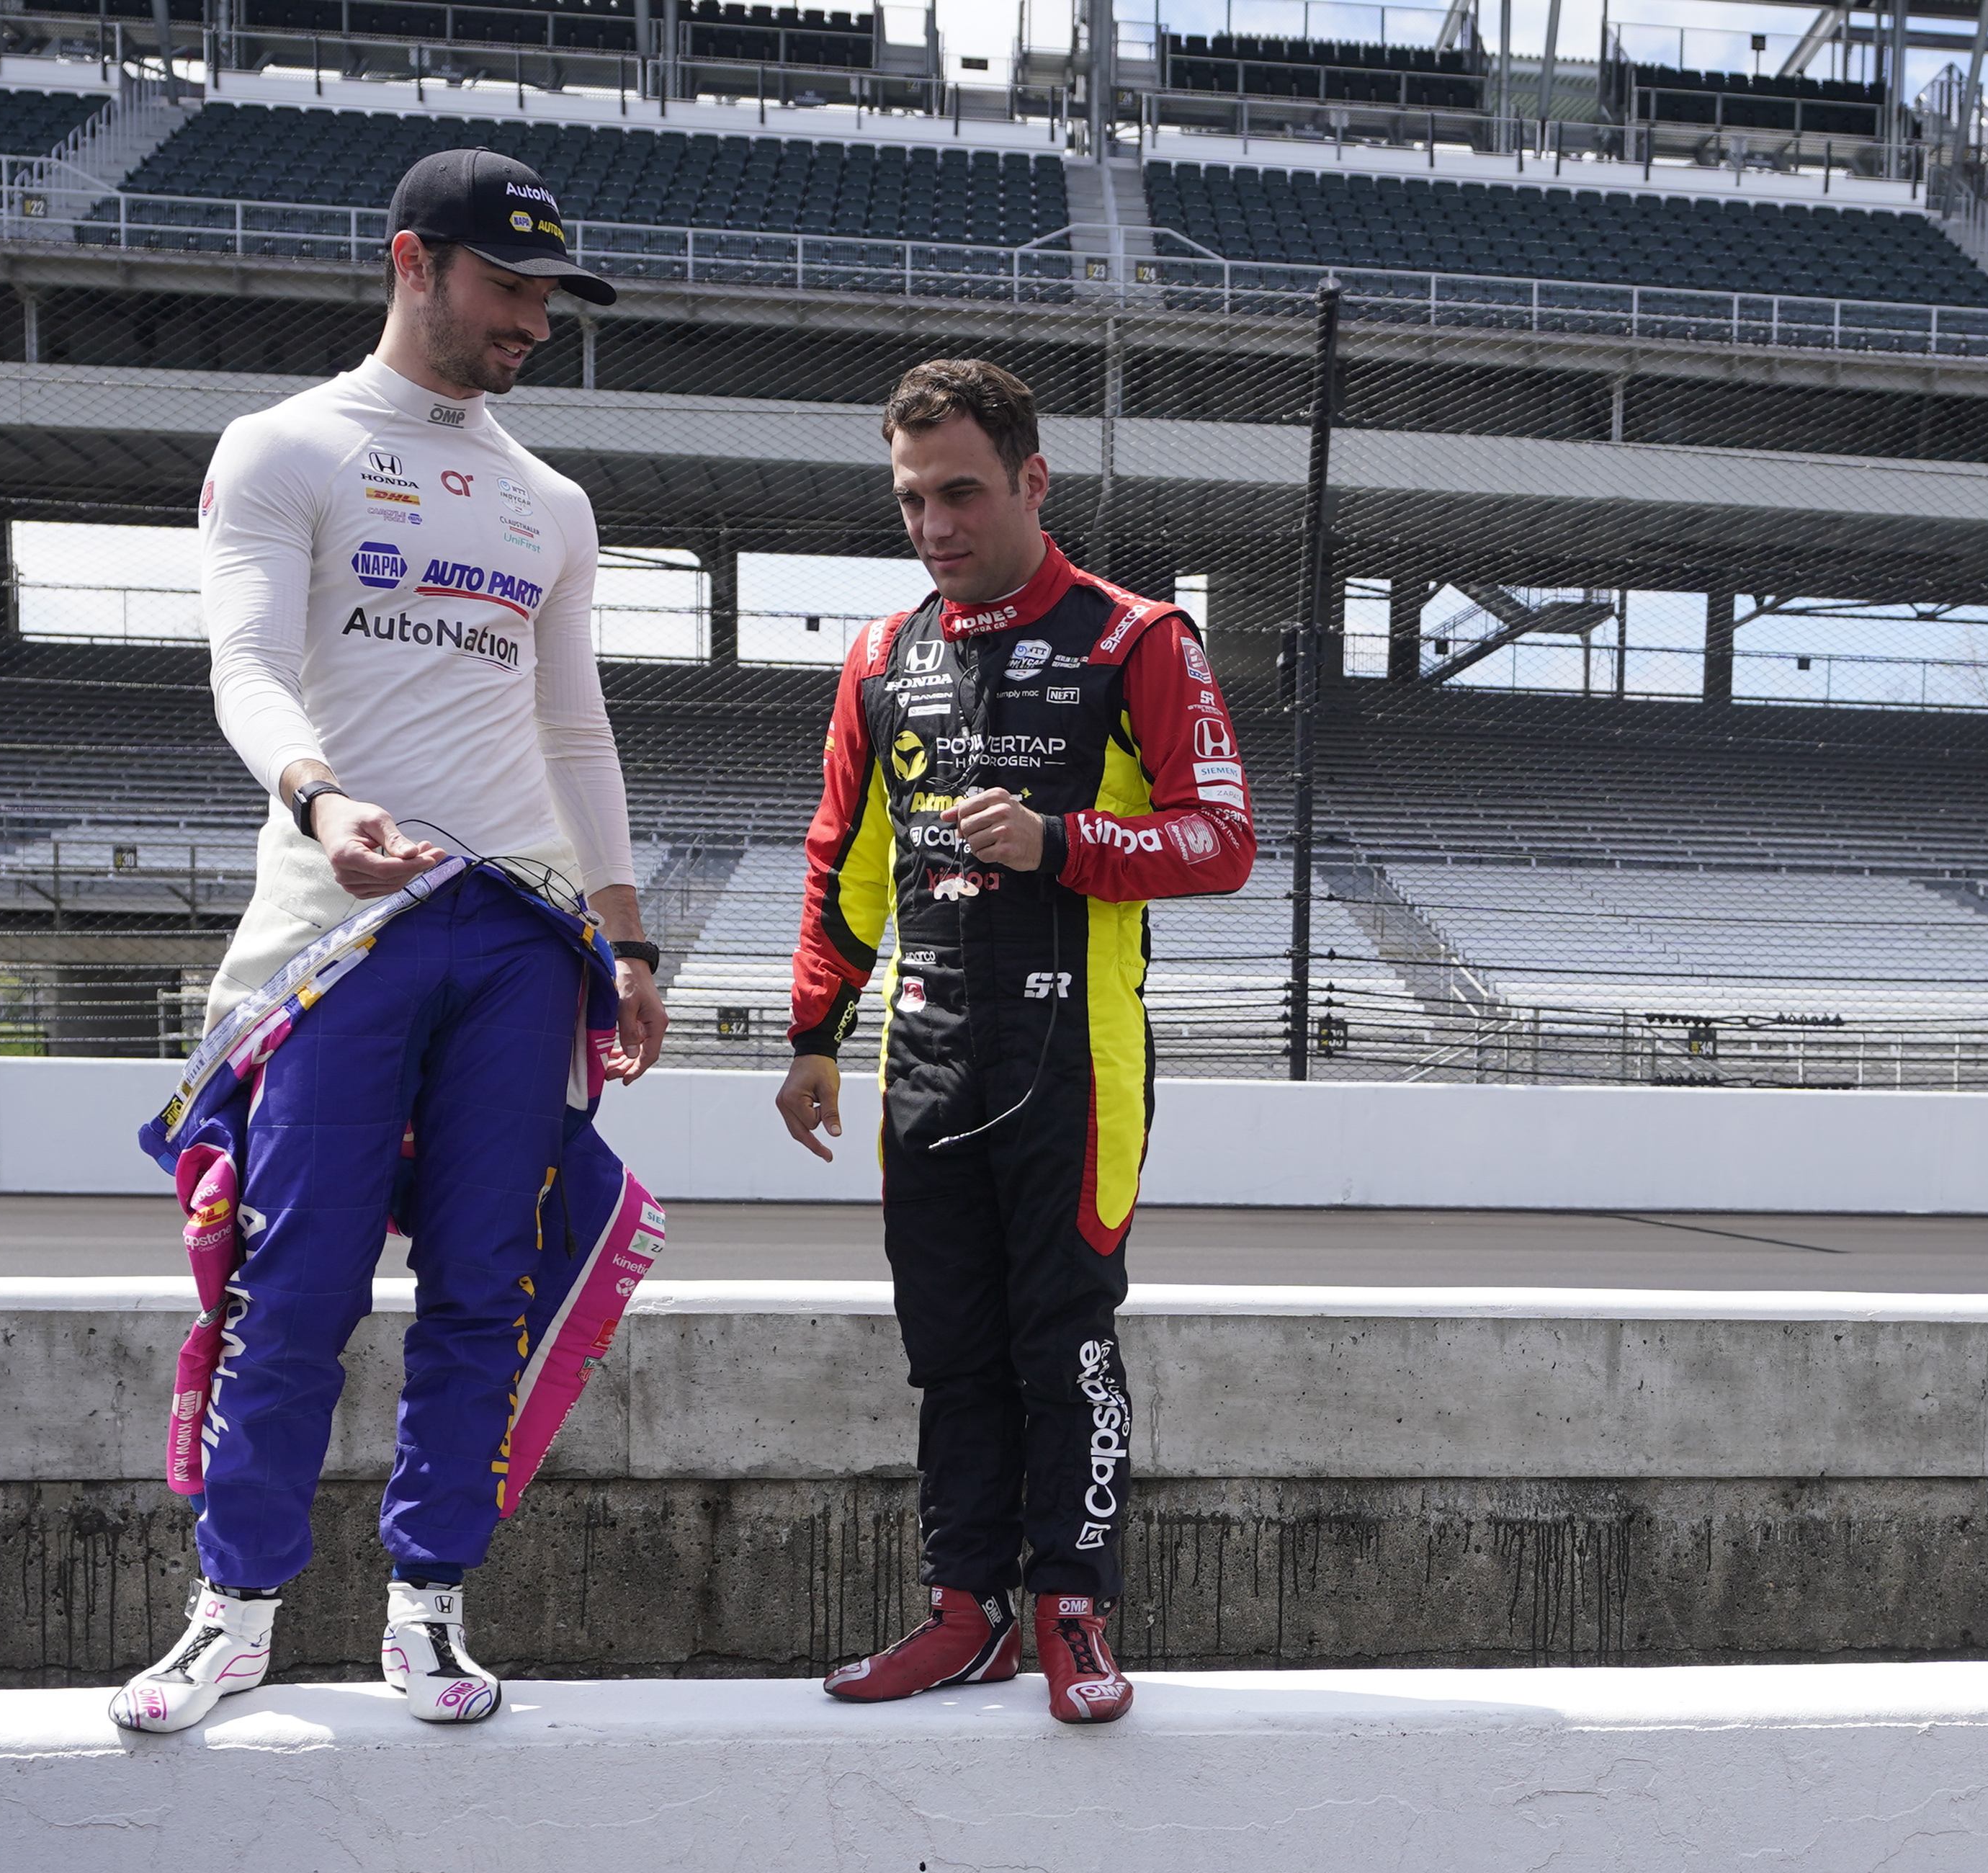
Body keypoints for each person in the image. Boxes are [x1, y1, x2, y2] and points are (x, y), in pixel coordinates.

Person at [112, 148, 671, 1736]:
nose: (534, 324)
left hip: (518, 932)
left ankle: (429, 1607)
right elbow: (242, 665)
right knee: (294, 1282)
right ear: (412, 261)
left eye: (550, 298)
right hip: (343, 921)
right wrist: (317, 798)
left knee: (483, 1284)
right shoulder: (281, 446)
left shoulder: (547, 498)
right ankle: (232, 1613)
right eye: (509, 289)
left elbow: (577, 728)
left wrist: (625, 942)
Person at [776, 358, 1255, 1726]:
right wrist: (814, 1034)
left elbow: (1222, 840)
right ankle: (965, 1612)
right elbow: (841, 866)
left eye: (963, 494)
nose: (935, 525)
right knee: (950, 1351)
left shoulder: (1138, 640)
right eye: (913, 499)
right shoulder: (879, 657)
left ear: (1034, 482)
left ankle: (1076, 1612)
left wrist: (1065, 842)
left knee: (1066, 1342)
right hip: (918, 1067)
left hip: (1075, 1071)